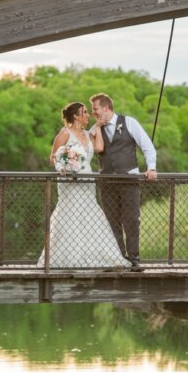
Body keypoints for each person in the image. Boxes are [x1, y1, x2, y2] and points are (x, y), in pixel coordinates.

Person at [37, 102, 131, 270]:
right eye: (85, 112)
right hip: (70, 181)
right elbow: (53, 157)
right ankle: (68, 258)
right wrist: (68, 164)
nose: (88, 115)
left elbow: (100, 147)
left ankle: (94, 255)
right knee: (71, 213)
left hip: (87, 181)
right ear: (75, 116)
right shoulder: (64, 133)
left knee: (89, 213)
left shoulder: (88, 134)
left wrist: (99, 128)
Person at [90, 93, 156, 272]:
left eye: (95, 109)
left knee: (132, 219)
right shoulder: (94, 129)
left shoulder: (129, 122)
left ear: (105, 108)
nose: (93, 112)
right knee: (111, 220)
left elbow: (147, 145)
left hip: (129, 178)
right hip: (107, 180)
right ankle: (117, 257)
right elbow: (90, 149)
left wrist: (151, 167)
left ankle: (134, 258)